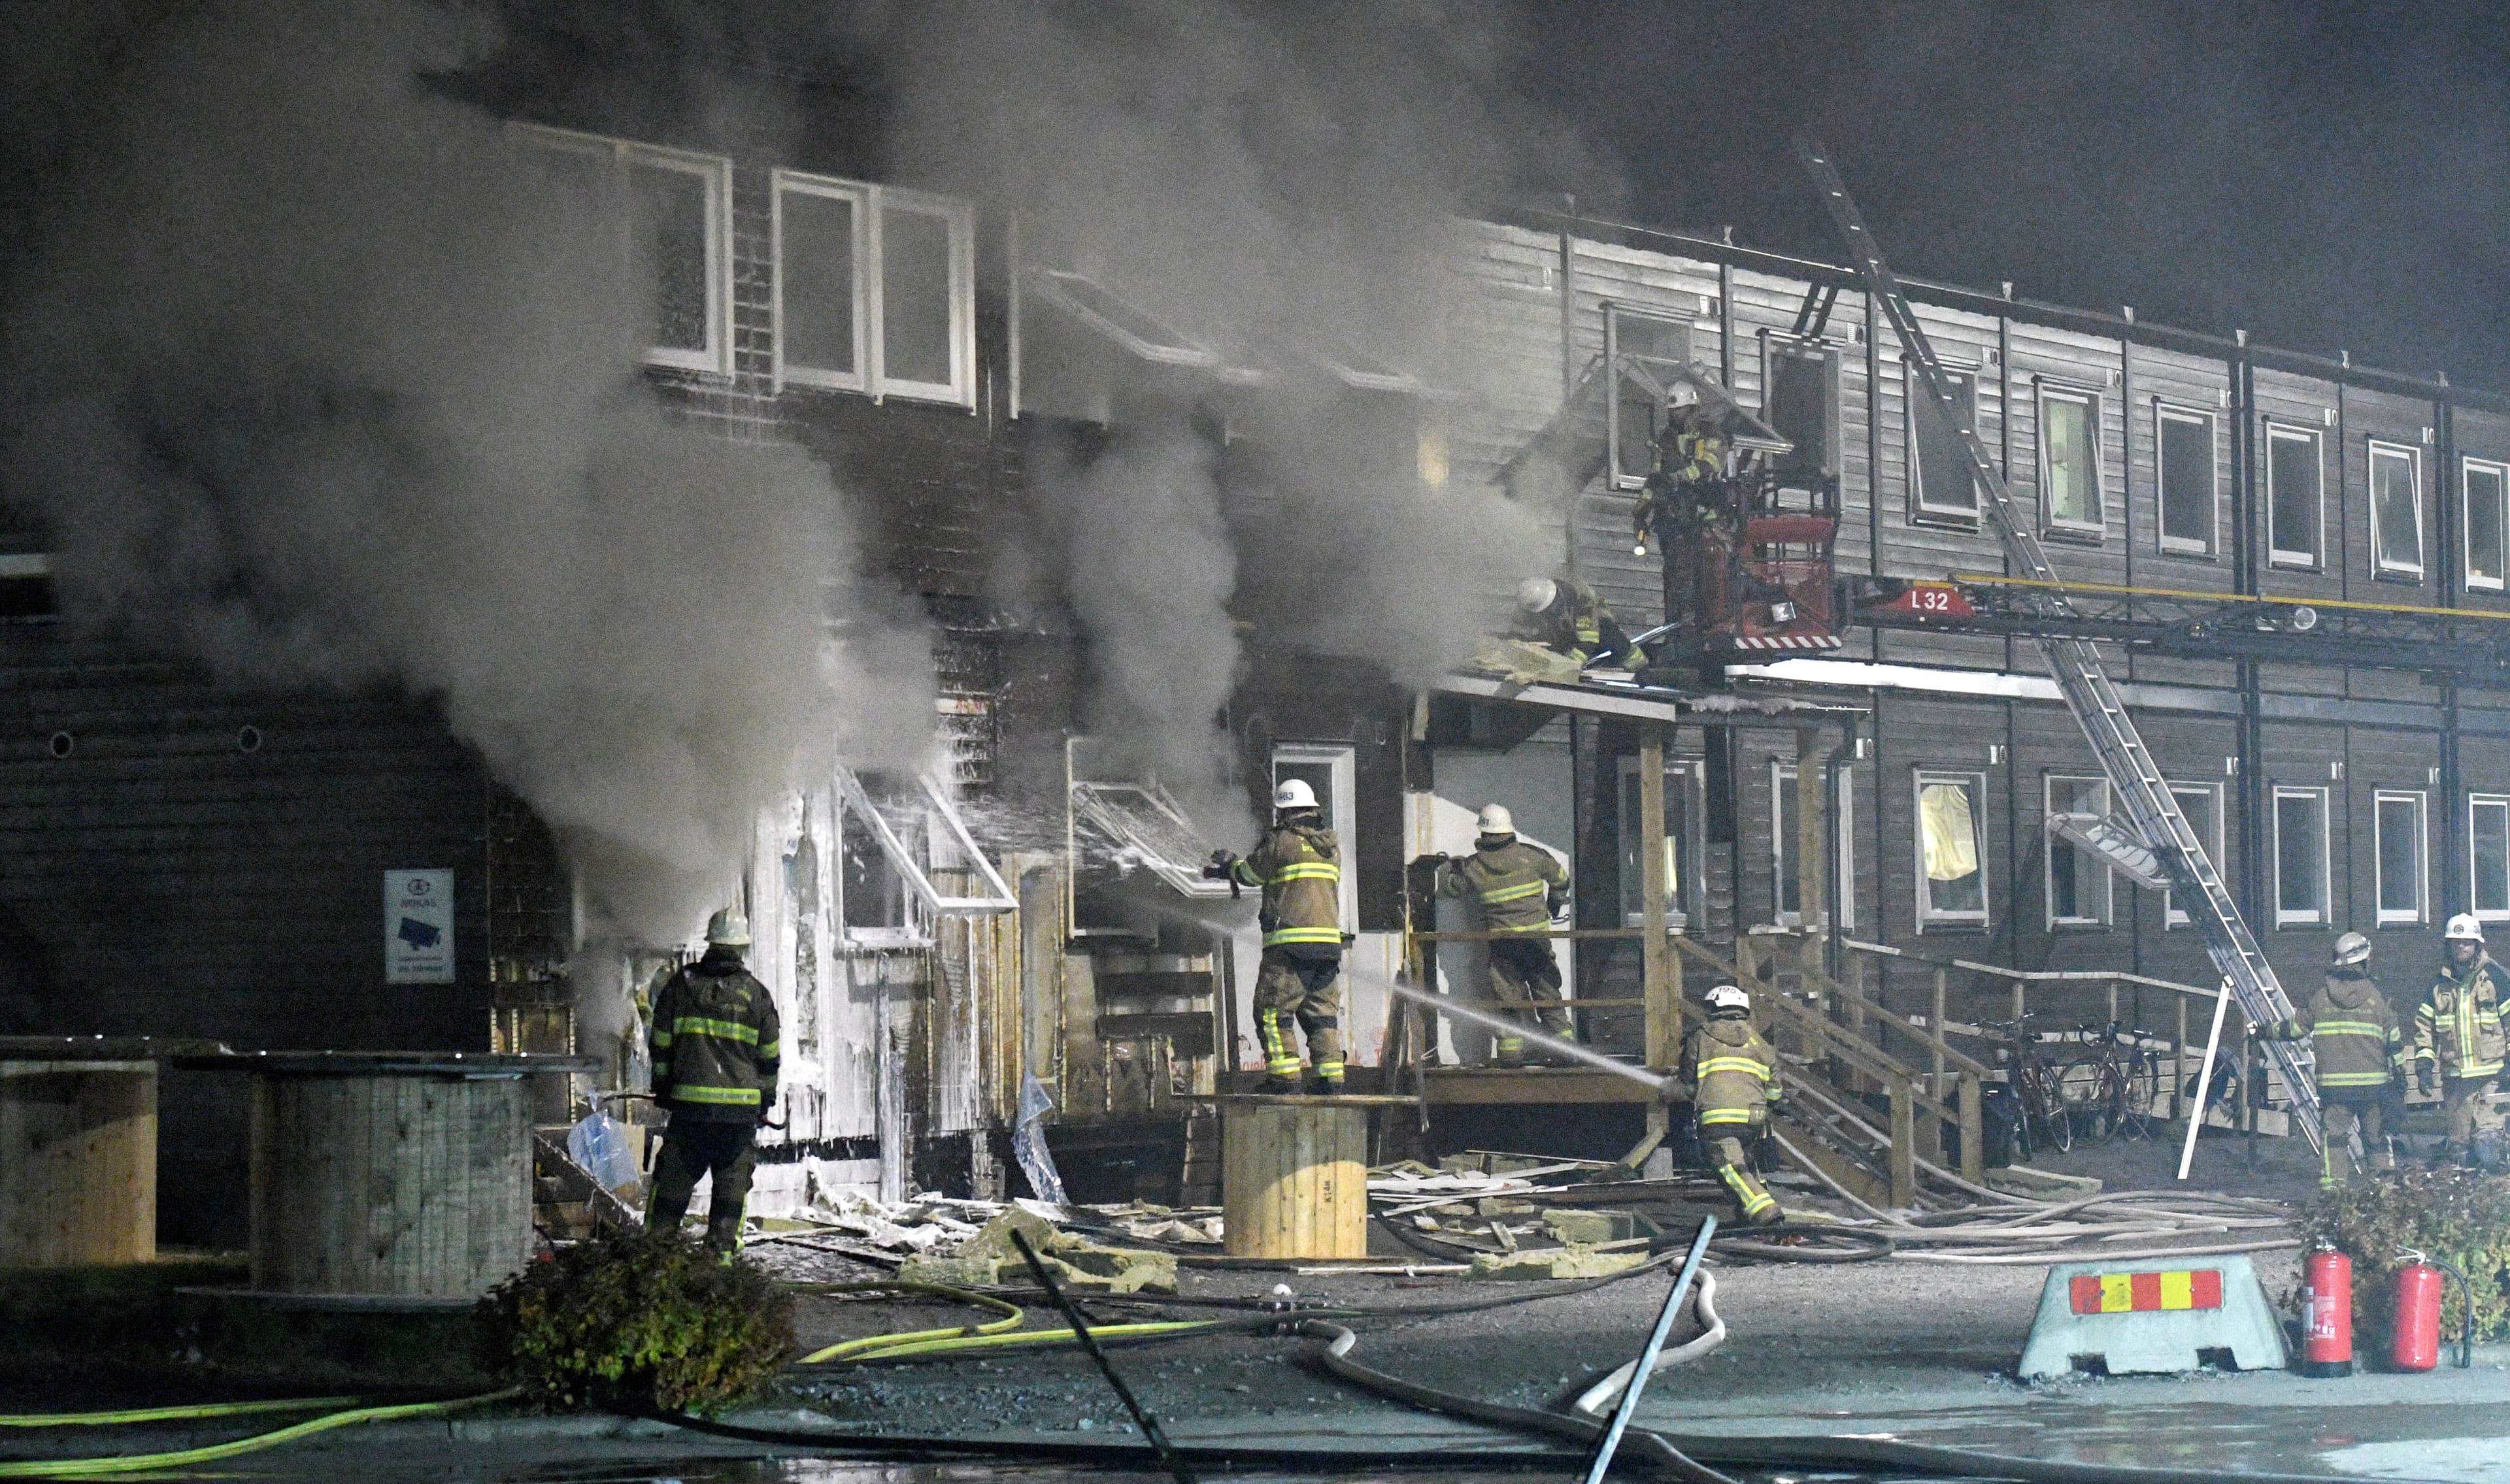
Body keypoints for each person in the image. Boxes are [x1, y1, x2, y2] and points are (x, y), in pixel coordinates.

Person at [646, 908, 781, 1253]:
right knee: (730, 1200)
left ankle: (652, 1270)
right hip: (736, 1123)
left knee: (668, 1200)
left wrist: (663, 1088)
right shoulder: (757, 996)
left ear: (711, 944)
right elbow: (769, 1059)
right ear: (741, 948)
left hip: (689, 1116)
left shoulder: (680, 988)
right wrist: (764, 1101)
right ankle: (722, 1279)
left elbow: (660, 1044)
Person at [1215, 779, 1347, 1094]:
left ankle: (1285, 1077)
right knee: (1321, 1015)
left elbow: (1250, 874)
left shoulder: (1282, 842)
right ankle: (1331, 1078)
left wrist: (1229, 865)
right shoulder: (1330, 848)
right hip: (1328, 948)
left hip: (1289, 948)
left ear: (1285, 812)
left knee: (1272, 1012)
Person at [1431, 804, 1575, 1067]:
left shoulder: (1473, 867)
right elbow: (1561, 879)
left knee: (1508, 1001)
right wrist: (1555, 901)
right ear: (1509, 830)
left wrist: (1450, 868)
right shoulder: (1533, 857)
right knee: (1549, 996)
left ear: (1484, 834)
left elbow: (1452, 890)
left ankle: (1510, 1056)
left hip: (1503, 946)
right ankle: (1565, 1050)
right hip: (1536, 943)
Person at [2262, 931, 2403, 1189]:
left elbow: (2295, 1029)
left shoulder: (2321, 998)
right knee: (2377, 1139)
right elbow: (2393, 1040)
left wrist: (2264, 1032)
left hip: (2335, 1088)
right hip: (2374, 1087)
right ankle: (2386, 1198)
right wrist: (2401, 1076)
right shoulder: (2378, 998)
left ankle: (2334, 1198)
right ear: (2364, 961)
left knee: (2335, 1141)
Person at [1681, 983, 1784, 1225]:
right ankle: (1748, 1212)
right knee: (1746, 1162)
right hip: (1753, 1119)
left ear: (1713, 1009)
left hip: (1718, 1118)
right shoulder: (1760, 1043)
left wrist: (1690, 1091)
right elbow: (1776, 1089)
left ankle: (1765, 1210)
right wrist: (1765, 1106)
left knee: (1729, 1166)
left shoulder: (1700, 1037)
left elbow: (1688, 1082)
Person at [2413, 914, 2510, 1166]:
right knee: (2459, 1151)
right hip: (2455, 1080)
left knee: (2489, 1144)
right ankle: (2468, 1204)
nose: (2461, 947)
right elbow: (2425, 1029)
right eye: (2456, 942)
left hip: (2492, 1079)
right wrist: (2423, 1067)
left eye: (2467, 942)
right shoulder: (2438, 986)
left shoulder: (2496, 978)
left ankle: (2497, 1199)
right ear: (2449, 946)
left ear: (2477, 945)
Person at [1513, 576, 1644, 670]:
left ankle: (1639, 668)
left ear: (1555, 598)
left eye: (1549, 608)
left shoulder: (1582, 601)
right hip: (1572, 642)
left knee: (1610, 635)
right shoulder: (1532, 605)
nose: (1547, 613)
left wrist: (1567, 667)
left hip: (1604, 642)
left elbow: (1588, 641)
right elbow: (1519, 632)